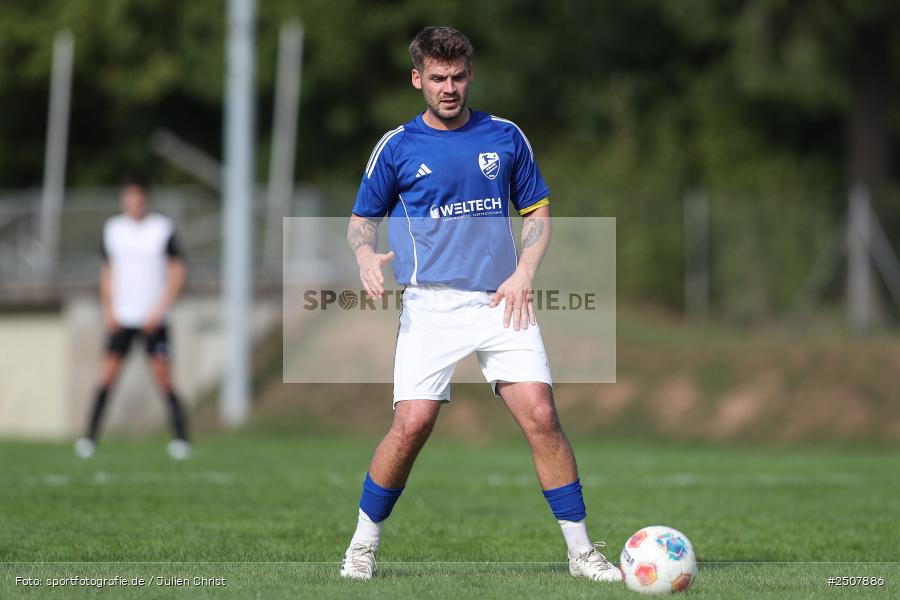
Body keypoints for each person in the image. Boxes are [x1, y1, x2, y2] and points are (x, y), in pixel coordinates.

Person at [339, 27, 622, 583]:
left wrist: (523, 273)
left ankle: (582, 553)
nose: (450, 88)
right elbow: (359, 224)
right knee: (412, 424)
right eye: (438, 78)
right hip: (431, 308)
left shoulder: (505, 136)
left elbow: (538, 215)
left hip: (501, 302)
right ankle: (362, 546)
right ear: (418, 78)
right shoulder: (396, 147)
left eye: (459, 76)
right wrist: (365, 256)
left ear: (470, 75)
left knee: (542, 416)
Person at [74, 178, 191, 461]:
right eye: (130, 198)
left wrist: (159, 309)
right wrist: (109, 309)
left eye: (139, 198)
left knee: (164, 378)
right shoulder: (113, 230)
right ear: (123, 200)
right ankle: (89, 438)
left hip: (153, 318)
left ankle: (181, 439)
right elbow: (108, 271)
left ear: (146, 200)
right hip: (122, 316)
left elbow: (177, 271)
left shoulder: (161, 229)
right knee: (108, 376)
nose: (135, 203)